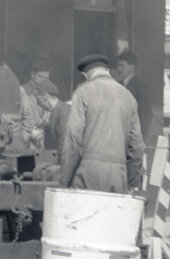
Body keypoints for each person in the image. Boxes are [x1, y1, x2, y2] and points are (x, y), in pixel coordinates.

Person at [59, 53, 144, 192]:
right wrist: (132, 183)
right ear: (107, 71)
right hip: (118, 176)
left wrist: (64, 180)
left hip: (87, 175)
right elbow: (137, 147)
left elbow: (73, 139)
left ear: (86, 75)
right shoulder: (128, 96)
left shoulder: (83, 92)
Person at [113, 49, 157, 147]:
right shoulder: (117, 86)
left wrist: (139, 140)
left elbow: (145, 115)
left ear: (132, 66)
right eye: (118, 66)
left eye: (122, 66)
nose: (119, 69)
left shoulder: (140, 87)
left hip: (132, 140)